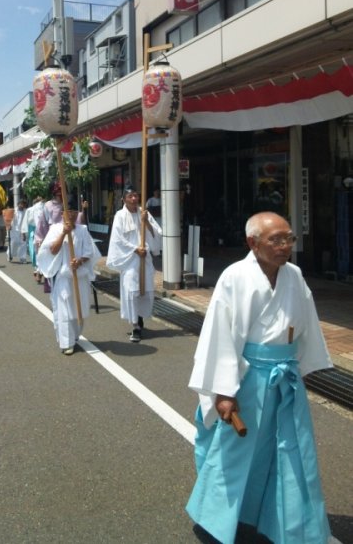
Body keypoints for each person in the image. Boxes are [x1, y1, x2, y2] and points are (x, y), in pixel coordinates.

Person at [185, 211, 333, 544]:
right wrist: (223, 391)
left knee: (289, 452)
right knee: (236, 455)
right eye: (276, 240)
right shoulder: (234, 276)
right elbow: (220, 335)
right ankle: (218, 518)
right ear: (253, 242)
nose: (285, 247)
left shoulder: (293, 275)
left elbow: (306, 320)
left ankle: (289, 523)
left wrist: (301, 364)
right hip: (247, 379)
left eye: (289, 239)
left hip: (284, 379)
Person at [37, 198, 101, 356]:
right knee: (64, 310)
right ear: (62, 213)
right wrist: (64, 233)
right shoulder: (55, 229)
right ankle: (66, 343)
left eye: (74, 212)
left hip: (79, 276)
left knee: (78, 308)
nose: (71, 215)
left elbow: (89, 251)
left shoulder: (82, 229)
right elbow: (51, 250)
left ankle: (75, 335)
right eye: (68, 212)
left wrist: (80, 261)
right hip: (64, 276)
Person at [106, 183, 162, 343]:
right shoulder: (119, 216)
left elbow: (156, 233)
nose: (134, 198)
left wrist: (147, 223)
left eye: (136, 195)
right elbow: (118, 239)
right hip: (130, 259)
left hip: (145, 259)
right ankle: (135, 325)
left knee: (145, 290)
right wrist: (135, 249)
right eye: (130, 196)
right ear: (124, 199)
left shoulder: (144, 213)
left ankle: (141, 318)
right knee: (131, 290)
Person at [8, 199, 28, 263]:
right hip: (14, 230)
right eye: (20, 204)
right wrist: (9, 225)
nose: (22, 206)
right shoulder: (13, 211)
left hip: (23, 230)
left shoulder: (26, 211)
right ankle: (10, 255)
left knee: (23, 243)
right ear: (18, 204)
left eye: (23, 204)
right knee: (13, 243)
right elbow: (9, 219)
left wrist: (25, 230)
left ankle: (22, 257)